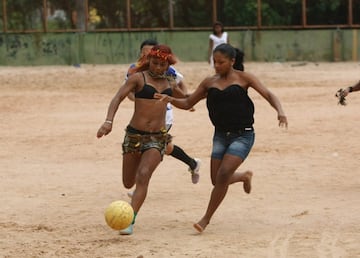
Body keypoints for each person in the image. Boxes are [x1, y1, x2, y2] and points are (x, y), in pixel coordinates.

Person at [155, 43, 288, 233]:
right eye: (214, 62)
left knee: (224, 174)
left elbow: (268, 94)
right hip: (220, 135)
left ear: (232, 61)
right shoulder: (209, 82)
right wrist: (170, 99)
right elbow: (187, 102)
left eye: (221, 62)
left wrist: (280, 111)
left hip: (243, 135)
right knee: (216, 180)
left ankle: (205, 219)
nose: (217, 66)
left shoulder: (244, 78)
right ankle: (243, 176)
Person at [97, 45, 189, 235]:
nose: (157, 67)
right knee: (128, 182)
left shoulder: (170, 82)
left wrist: (171, 100)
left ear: (167, 65)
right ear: (149, 61)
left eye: (161, 64)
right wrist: (108, 121)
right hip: (134, 135)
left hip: (157, 137)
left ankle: (131, 220)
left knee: (144, 174)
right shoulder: (138, 78)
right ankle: (131, 209)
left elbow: (186, 101)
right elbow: (118, 97)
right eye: (154, 63)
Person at [126, 39, 201, 184]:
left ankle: (140, 182)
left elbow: (180, 86)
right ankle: (192, 163)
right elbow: (128, 91)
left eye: (151, 51)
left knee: (149, 147)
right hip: (144, 116)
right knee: (166, 148)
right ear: (142, 53)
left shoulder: (167, 69)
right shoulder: (134, 69)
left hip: (164, 116)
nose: (148, 54)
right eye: (145, 51)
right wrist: (140, 99)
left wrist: (187, 101)